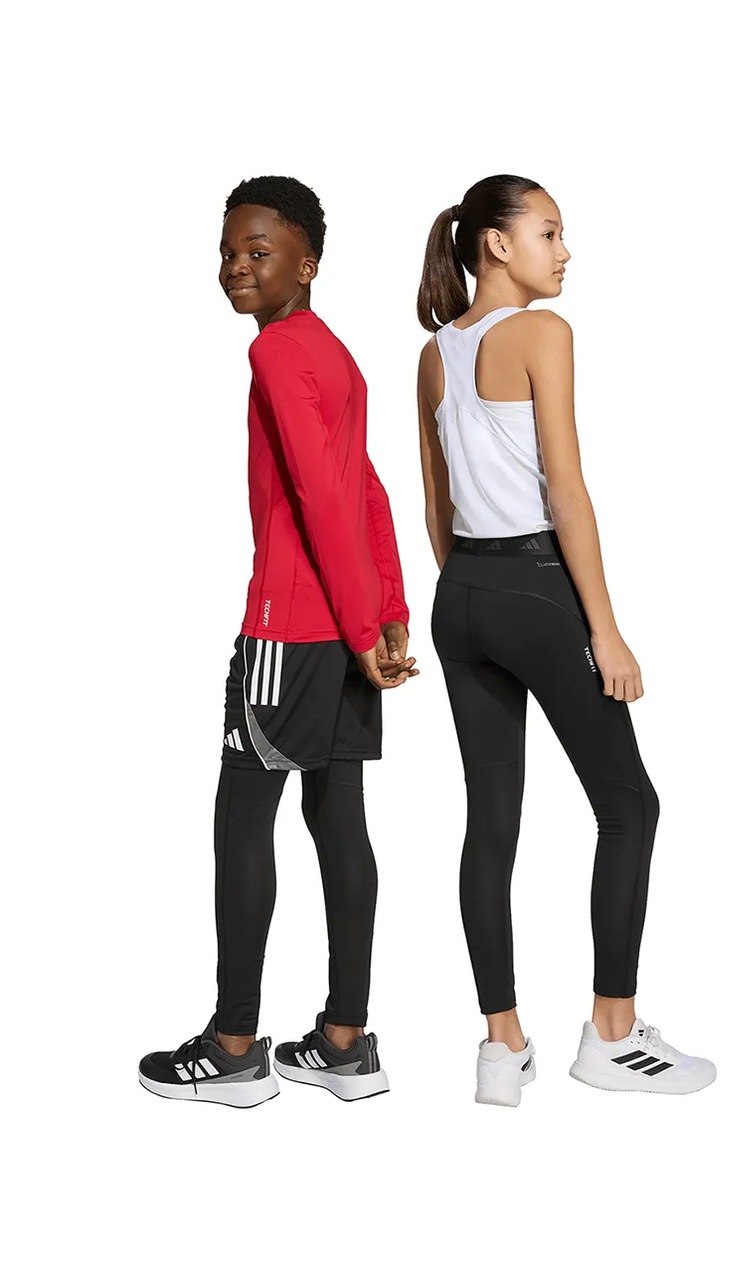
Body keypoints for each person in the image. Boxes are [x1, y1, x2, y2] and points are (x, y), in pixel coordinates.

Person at [416, 174, 715, 1105]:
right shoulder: (543, 333)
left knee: (490, 822)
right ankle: (612, 1035)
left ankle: (499, 1046)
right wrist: (604, 629)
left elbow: (435, 504)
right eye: (548, 232)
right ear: (497, 244)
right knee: (629, 806)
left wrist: (472, 591)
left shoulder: (433, 352)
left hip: (459, 592)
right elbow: (567, 491)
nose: (564, 250)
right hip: (536, 588)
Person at [139, 175, 416, 1107]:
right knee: (339, 820)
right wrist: (385, 611)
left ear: (308, 263)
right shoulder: (334, 353)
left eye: (259, 252)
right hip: (341, 627)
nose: (236, 267)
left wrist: (361, 621)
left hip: (289, 629)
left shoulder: (276, 352)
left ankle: (231, 1047)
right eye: (227, 252)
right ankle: (344, 1040)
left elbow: (328, 493)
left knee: (241, 821)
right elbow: (367, 486)